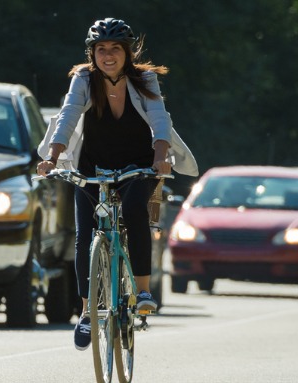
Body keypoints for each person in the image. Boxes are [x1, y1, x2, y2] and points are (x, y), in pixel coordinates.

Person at [34, 17, 198, 350]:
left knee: (136, 212)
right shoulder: (83, 79)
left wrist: (161, 156)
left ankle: (142, 291)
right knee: (84, 235)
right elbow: (67, 115)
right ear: (91, 53)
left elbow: (159, 119)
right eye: (101, 49)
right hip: (91, 165)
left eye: (115, 49)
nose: (108, 55)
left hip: (138, 165)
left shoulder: (144, 79)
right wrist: (52, 156)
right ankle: (85, 313)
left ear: (127, 53)